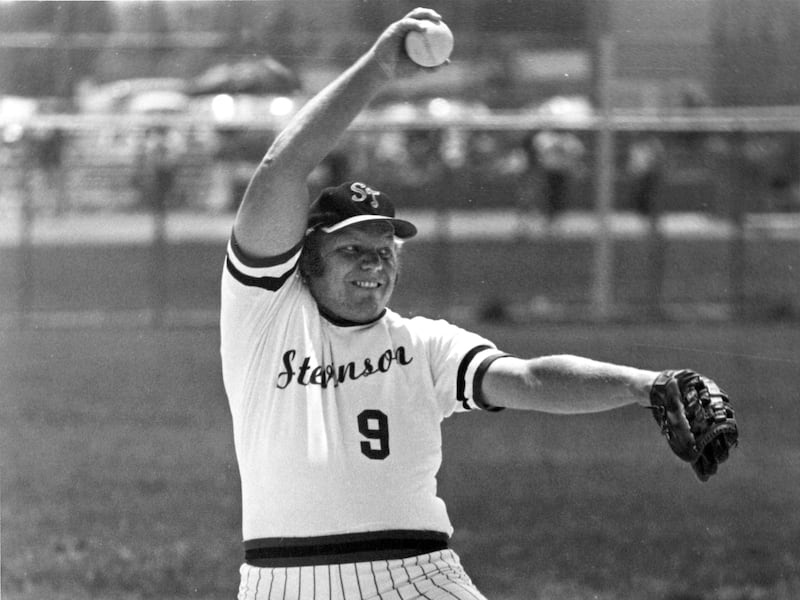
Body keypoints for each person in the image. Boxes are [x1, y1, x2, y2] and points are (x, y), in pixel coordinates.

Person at [219, 9, 718, 599]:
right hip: (285, 585)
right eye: (353, 248)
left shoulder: (423, 344)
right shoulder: (266, 316)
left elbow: (529, 379)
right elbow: (283, 168)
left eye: (385, 248)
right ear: (306, 258)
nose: (374, 263)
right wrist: (378, 69)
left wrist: (641, 384)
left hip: (418, 575)